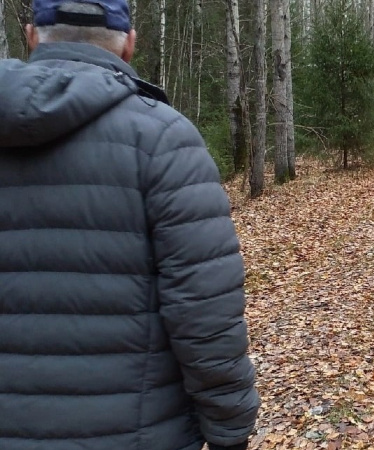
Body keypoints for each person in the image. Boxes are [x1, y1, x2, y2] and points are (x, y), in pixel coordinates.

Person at [0, 1, 260, 449]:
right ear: (129, 46)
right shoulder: (163, 138)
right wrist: (230, 428)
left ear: (31, 36)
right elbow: (204, 310)